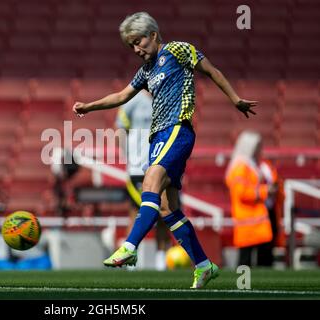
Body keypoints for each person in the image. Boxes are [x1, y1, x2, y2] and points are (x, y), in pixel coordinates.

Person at [73, 12, 258, 288]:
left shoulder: (176, 50)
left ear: (154, 35)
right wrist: (89, 106)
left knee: (151, 179)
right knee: (167, 208)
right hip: (157, 136)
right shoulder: (146, 71)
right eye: (131, 46)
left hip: (177, 129)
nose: (136, 49)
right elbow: (122, 96)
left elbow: (211, 70)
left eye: (139, 42)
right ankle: (204, 265)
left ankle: (130, 247)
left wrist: (235, 99)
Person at [116, 90, 170, 271]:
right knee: (136, 213)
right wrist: (129, 157)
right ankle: (130, 259)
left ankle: (160, 261)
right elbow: (120, 128)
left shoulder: (168, 98)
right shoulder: (133, 101)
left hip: (162, 167)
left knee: (164, 213)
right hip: (138, 169)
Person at [225, 130, 283, 267]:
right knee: (245, 262)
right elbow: (241, 192)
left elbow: (276, 182)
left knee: (265, 260)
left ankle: (263, 287)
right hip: (249, 221)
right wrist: (265, 191)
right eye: (257, 147)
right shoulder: (240, 167)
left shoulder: (261, 165)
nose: (260, 150)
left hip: (264, 219)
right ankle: (242, 287)